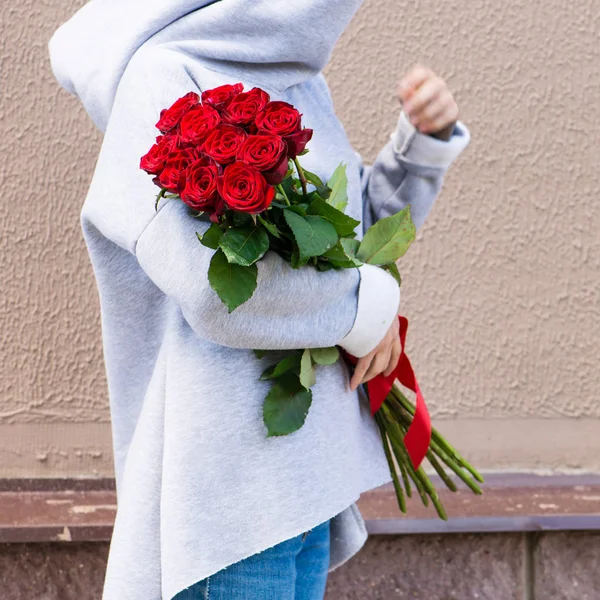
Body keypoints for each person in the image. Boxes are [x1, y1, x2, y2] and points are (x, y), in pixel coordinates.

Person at [48, 1, 470, 599]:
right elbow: (214, 290)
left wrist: (420, 148)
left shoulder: (295, 79)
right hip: (231, 498)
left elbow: (345, 245)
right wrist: (360, 311)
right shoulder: (163, 75)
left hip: (308, 484)